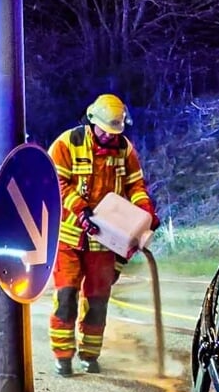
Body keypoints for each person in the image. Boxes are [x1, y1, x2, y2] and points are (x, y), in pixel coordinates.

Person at [47, 94, 156, 376]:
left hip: (105, 241)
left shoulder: (124, 149)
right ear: (92, 121)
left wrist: (145, 215)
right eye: (105, 132)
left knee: (98, 301)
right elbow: (54, 182)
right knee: (66, 296)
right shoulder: (67, 144)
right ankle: (63, 356)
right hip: (69, 237)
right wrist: (81, 211)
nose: (110, 138)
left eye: (115, 133)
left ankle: (90, 354)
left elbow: (136, 186)